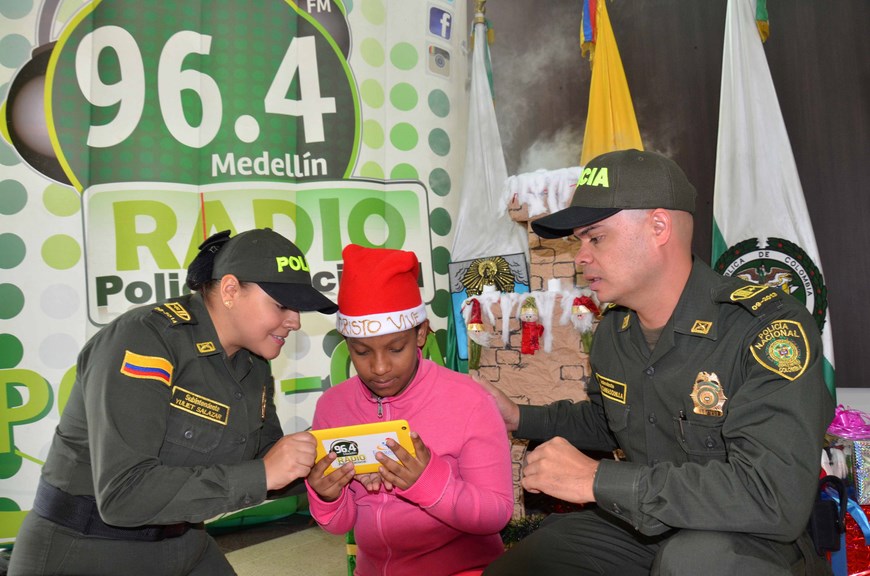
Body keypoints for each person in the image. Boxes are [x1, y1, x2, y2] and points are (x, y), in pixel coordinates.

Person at [478, 149, 835, 576]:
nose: (580, 257)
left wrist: (597, 479)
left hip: (749, 540)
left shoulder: (765, 326)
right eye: (578, 241)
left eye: (595, 237)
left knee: (692, 561)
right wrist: (518, 416)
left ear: (659, 227)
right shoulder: (615, 330)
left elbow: (772, 497)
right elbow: (609, 419)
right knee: (526, 565)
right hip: (648, 524)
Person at [9, 228, 338, 576]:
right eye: (282, 305)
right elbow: (124, 495)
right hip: (86, 549)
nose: (296, 321)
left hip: (185, 540)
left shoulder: (253, 363)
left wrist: (324, 466)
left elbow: (264, 462)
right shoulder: (144, 340)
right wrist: (264, 472)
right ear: (230, 290)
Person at [306, 244, 514, 576]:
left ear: (420, 333)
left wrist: (427, 481)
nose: (379, 367)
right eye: (361, 352)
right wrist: (326, 495)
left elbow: (497, 513)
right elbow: (338, 523)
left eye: (396, 348)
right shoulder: (332, 407)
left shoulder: (469, 401)